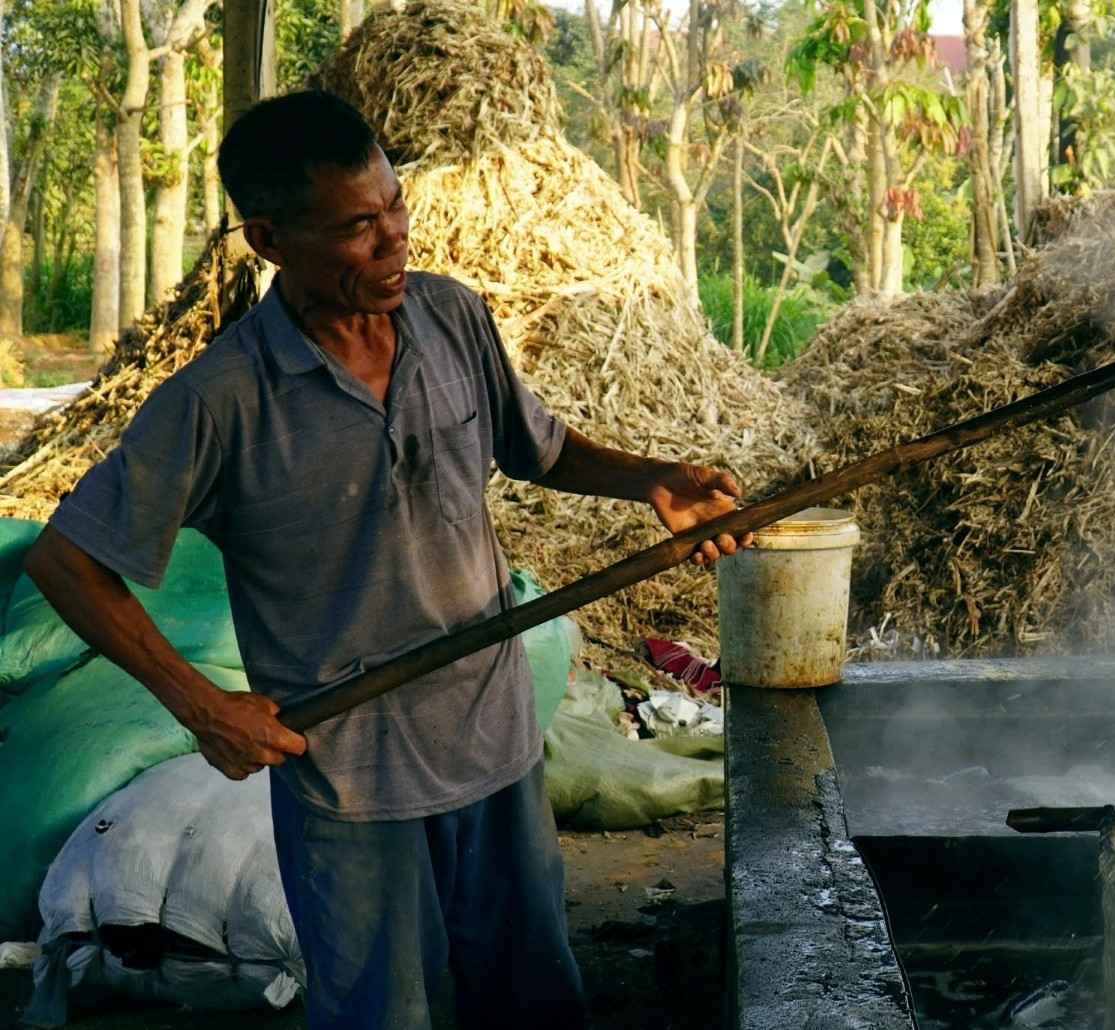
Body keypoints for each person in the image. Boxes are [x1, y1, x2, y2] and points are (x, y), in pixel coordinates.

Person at [21, 89, 748, 1029]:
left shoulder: (453, 318)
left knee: (533, 998)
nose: (394, 239)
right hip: (351, 777)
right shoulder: (220, 400)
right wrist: (203, 708)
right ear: (270, 241)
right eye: (359, 228)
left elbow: (541, 449)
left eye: (395, 206)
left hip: (492, 737)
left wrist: (653, 479)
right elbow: (65, 562)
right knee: (379, 1014)